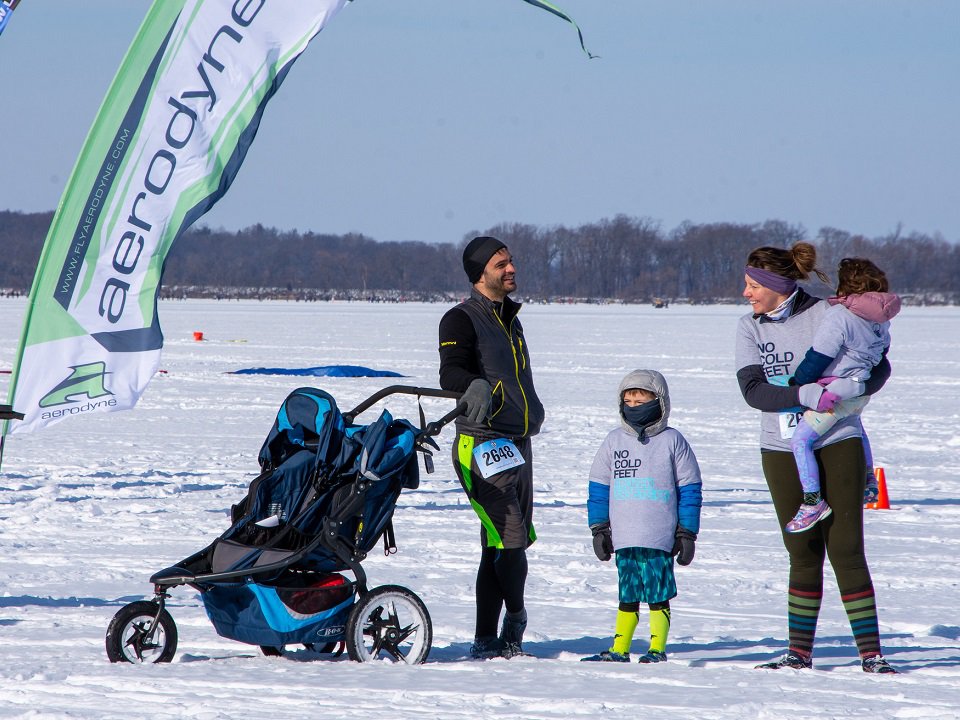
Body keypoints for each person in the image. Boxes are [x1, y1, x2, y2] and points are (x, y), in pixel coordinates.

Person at [736, 241, 898, 673]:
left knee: (846, 548)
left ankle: (871, 654)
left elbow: (879, 364)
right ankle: (798, 654)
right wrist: (800, 394)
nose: (747, 293)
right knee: (802, 550)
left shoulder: (830, 313)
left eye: (753, 285)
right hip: (781, 446)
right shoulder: (749, 327)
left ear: (776, 284)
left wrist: (856, 388)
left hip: (838, 439)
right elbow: (753, 391)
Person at [438, 235, 545, 659]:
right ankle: (515, 621)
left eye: (511, 261)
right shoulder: (460, 319)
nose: (511, 268)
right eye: (501, 264)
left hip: (518, 442)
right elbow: (451, 372)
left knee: (496, 545)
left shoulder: (511, 319)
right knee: (510, 540)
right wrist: (472, 383)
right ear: (480, 272)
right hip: (482, 443)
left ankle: (485, 638)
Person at [581, 370, 702, 664]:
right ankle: (619, 649)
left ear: (658, 401)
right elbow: (599, 489)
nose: (634, 406)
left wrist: (687, 533)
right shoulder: (613, 442)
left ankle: (657, 649)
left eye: (641, 400)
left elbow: (690, 490)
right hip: (624, 537)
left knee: (658, 594)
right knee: (628, 595)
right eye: (629, 401)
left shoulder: (673, 441)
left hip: (660, 537)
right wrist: (599, 528)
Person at [785, 257, 901, 532]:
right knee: (857, 427)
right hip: (861, 390)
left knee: (800, 441)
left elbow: (819, 355)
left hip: (836, 392)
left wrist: (798, 383)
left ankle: (813, 502)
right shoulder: (881, 320)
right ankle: (868, 482)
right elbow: (881, 354)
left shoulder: (841, 316)